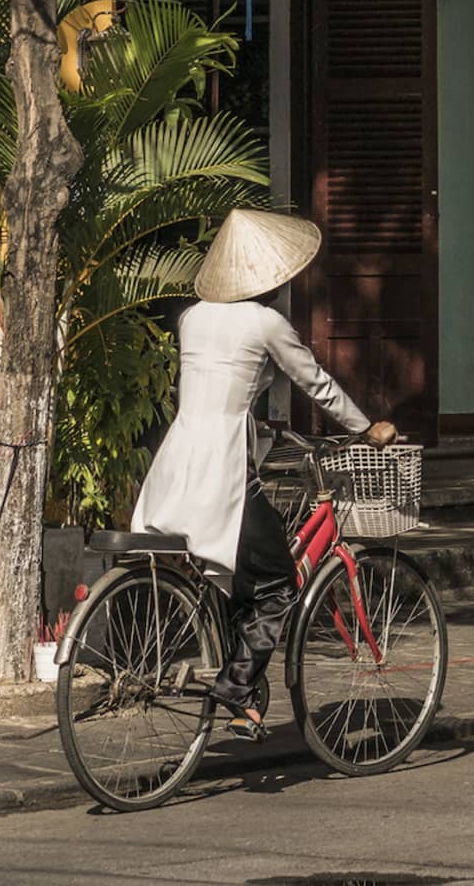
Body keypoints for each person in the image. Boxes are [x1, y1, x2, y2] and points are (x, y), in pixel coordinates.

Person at [132, 207, 397, 738]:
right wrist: (366, 429)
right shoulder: (266, 323)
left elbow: (225, 382)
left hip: (177, 458)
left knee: (240, 576)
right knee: (277, 582)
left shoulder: (193, 317)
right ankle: (236, 684)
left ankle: (244, 696)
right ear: (270, 277)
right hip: (223, 467)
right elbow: (315, 383)